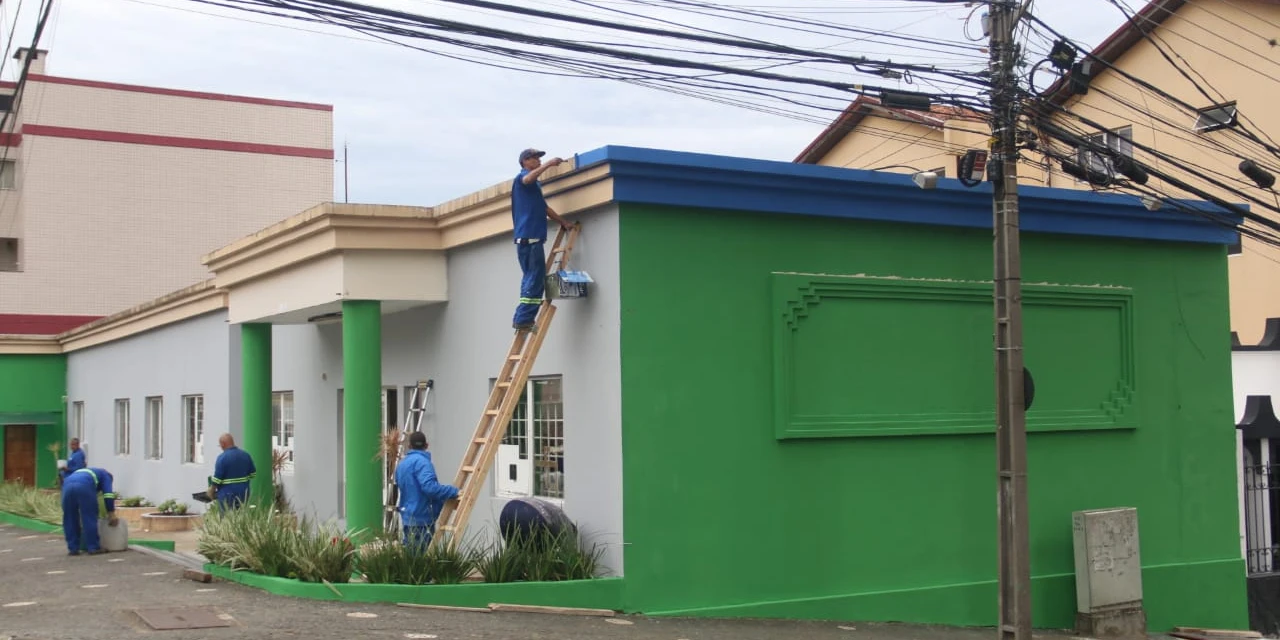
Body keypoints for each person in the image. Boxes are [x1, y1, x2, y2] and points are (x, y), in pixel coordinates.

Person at [511, 148, 574, 332]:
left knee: (531, 277)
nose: (538, 161)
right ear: (525, 161)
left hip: (528, 238)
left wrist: (563, 222)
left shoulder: (534, 188)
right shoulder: (522, 179)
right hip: (530, 238)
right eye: (535, 158)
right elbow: (527, 178)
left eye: (540, 159)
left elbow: (544, 208)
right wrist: (549, 164)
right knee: (535, 278)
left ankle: (521, 317)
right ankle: (524, 319)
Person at [394, 431, 459, 551]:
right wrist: (453, 491)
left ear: (409, 446)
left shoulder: (401, 465)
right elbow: (430, 488)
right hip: (422, 518)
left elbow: (401, 485)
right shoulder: (423, 463)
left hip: (408, 517)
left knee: (411, 559)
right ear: (426, 445)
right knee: (422, 561)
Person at [61, 466, 118, 556]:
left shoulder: (86, 471)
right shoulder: (106, 476)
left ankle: (73, 548)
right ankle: (93, 547)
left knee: (70, 518)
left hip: (67, 486)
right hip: (84, 486)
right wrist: (111, 512)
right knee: (89, 516)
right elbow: (108, 494)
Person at [208, 433, 256, 510]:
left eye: (220, 445)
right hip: (244, 492)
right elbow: (253, 474)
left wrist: (211, 491)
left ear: (223, 444)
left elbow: (217, 479)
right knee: (241, 515)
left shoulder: (222, 458)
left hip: (227, 494)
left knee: (227, 518)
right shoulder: (246, 455)